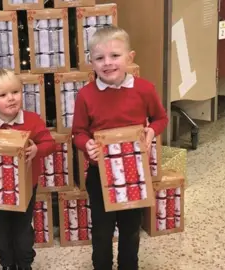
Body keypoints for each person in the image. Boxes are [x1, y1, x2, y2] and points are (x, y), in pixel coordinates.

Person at [71, 26, 169, 270]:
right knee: (102, 232)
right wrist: (87, 145)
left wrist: (151, 131)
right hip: (99, 175)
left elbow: (161, 118)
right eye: (99, 58)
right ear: (91, 62)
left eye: (115, 56)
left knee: (130, 230)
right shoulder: (86, 95)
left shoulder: (144, 89)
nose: (108, 63)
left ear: (130, 57)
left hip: (134, 174)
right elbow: (78, 132)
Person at [0, 68, 56, 270]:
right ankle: (7, 262)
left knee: (22, 227)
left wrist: (37, 148)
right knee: (0, 228)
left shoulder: (32, 120)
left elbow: (49, 144)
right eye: (3, 95)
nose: (11, 98)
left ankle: (25, 262)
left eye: (15, 92)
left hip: (26, 186)